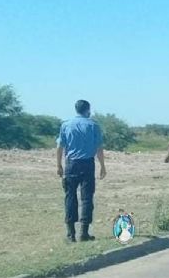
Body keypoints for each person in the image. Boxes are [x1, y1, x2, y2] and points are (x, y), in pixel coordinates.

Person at [56, 99, 106, 243]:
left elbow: (60, 147)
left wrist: (58, 165)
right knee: (87, 198)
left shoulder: (66, 125)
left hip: (71, 164)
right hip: (88, 164)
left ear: (76, 109)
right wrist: (103, 166)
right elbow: (99, 148)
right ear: (88, 110)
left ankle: (70, 234)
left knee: (70, 197)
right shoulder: (93, 125)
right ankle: (84, 232)